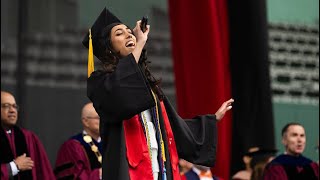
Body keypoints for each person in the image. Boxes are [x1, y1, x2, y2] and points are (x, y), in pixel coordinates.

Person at [82, 7, 234, 180]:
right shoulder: (100, 82)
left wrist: (211, 120)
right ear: (108, 47)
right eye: (119, 33)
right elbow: (120, 97)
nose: (129, 35)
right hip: (129, 172)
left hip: (159, 168)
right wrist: (139, 43)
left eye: (129, 31)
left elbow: (172, 127)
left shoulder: (148, 85)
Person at [0, 91, 55, 180]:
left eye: (14, 106)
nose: (12, 110)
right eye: (6, 106)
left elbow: (45, 174)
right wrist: (14, 166)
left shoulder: (28, 138)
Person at [54, 102, 102, 179]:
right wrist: (98, 174)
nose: (103, 121)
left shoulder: (109, 144)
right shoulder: (73, 146)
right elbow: (73, 175)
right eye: (98, 118)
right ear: (86, 121)